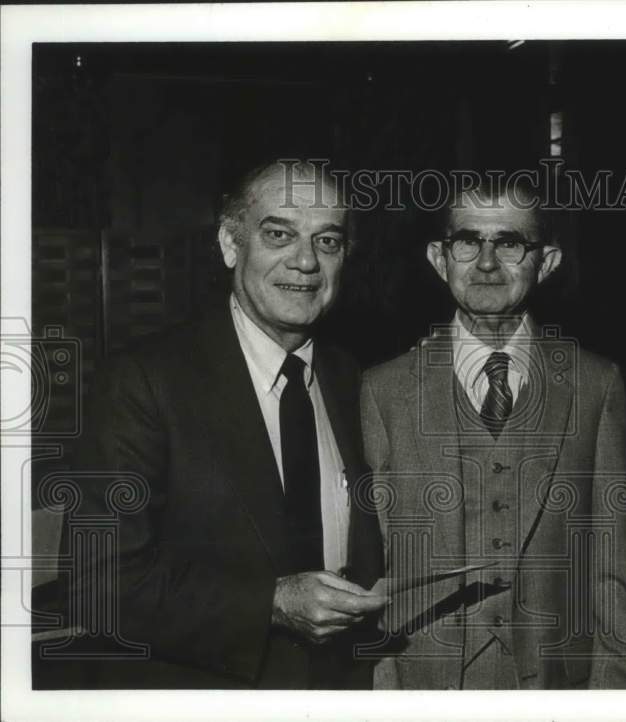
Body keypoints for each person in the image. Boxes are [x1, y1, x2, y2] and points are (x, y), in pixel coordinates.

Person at [67, 160, 386, 688]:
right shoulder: (143, 382)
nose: (305, 261)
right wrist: (273, 603)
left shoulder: (354, 379)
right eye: (279, 234)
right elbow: (96, 583)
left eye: (327, 241)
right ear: (230, 245)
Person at [361, 180, 626, 689]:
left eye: (510, 243)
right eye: (468, 241)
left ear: (548, 262)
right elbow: (376, 579)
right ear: (439, 257)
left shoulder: (597, 385)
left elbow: (614, 577)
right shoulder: (383, 391)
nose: (487, 263)